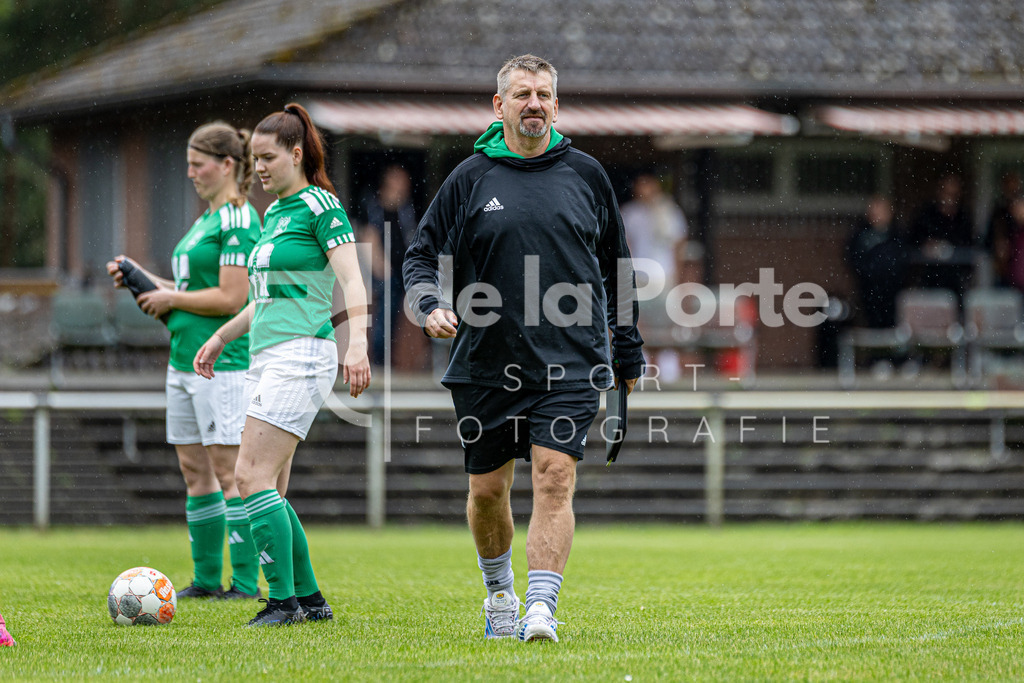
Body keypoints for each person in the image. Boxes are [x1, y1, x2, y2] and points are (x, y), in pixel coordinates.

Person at [403, 54, 644, 643]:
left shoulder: (587, 174)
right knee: (488, 492)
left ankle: (540, 608)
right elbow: (419, 256)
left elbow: (618, 268)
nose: (533, 104)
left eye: (543, 94)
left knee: (555, 475)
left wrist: (627, 349)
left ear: (556, 105)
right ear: (499, 105)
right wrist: (428, 303)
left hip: (571, 361)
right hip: (486, 362)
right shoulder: (471, 177)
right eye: (521, 95)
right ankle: (500, 596)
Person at [193, 103, 371, 627]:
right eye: (254, 158)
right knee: (270, 485)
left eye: (268, 157)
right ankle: (310, 600)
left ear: (297, 154)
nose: (260, 168)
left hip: (302, 352)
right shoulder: (273, 213)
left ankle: (282, 603)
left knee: (249, 476)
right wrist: (222, 336)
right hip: (266, 356)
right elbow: (262, 298)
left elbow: (354, 281)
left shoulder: (321, 206)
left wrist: (356, 344)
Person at [105, 121, 261, 601]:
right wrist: (142, 278)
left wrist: (169, 298)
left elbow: (233, 297)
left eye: (198, 164)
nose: (190, 173)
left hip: (224, 361)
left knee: (230, 470)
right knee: (195, 470)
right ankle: (208, 581)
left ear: (227, 165)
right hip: (183, 359)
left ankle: (247, 583)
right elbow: (190, 292)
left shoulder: (237, 217)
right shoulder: (205, 219)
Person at [620, 171, 688, 382]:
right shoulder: (630, 213)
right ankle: (643, 370)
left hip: (664, 277)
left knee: (666, 325)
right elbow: (625, 245)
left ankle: (668, 372)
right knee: (640, 323)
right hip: (639, 277)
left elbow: (679, 245)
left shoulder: (670, 212)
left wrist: (678, 276)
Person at [359, 165, 418, 366]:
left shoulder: (406, 210)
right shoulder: (374, 208)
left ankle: (387, 358)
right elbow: (369, 236)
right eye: (399, 180)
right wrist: (381, 268)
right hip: (385, 272)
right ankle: (379, 359)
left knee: (396, 317)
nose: (403, 186)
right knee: (383, 316)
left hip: (404, 271)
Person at [907, 174, 974, 300]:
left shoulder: (963, 217)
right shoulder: (926, 214)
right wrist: (926, 244)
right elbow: (912, 238)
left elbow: (969, 243)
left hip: (955, 277)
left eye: (953, 194)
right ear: (939, 192)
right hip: (929, 275)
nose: (949, 197)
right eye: (946, 192)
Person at [845, 196, 907, 329]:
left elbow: (902, 259)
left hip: (893, 291)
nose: (876, 215)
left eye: (880, 210)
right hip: (869, 290)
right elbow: (854, 258)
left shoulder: (897, 235)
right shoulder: (861, 235)